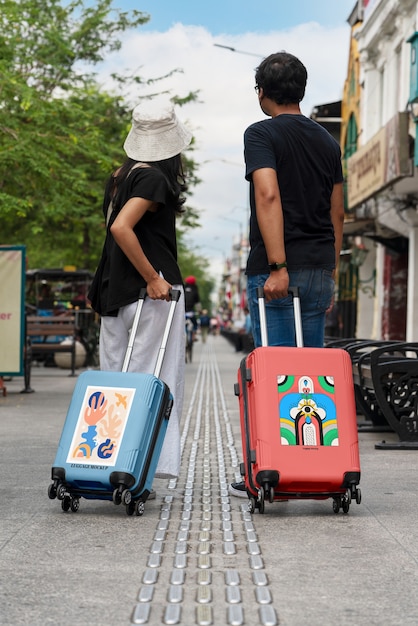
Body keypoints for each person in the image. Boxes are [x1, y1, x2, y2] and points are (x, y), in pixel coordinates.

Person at [229, 51, 344, 498]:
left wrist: (277, 266)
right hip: (318, 267)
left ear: (262, 92)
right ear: (302, 90)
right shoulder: (327, 142)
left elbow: (268, 193)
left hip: (279, 271)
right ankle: (314, 469)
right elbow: (337, 212)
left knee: (276, 376)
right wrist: (330, 270)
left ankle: (273, 472)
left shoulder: (260, 133)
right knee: (311, 377)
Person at [88, 98, 192, 481]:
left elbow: (112, 232)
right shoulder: (153, 179)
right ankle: (144, 466)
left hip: (115, 292)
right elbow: (121, 229)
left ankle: (108, 460)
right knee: (154, 378)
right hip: (153, 294)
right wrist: (152, 277)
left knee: (114, 380)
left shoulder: (121, 176)